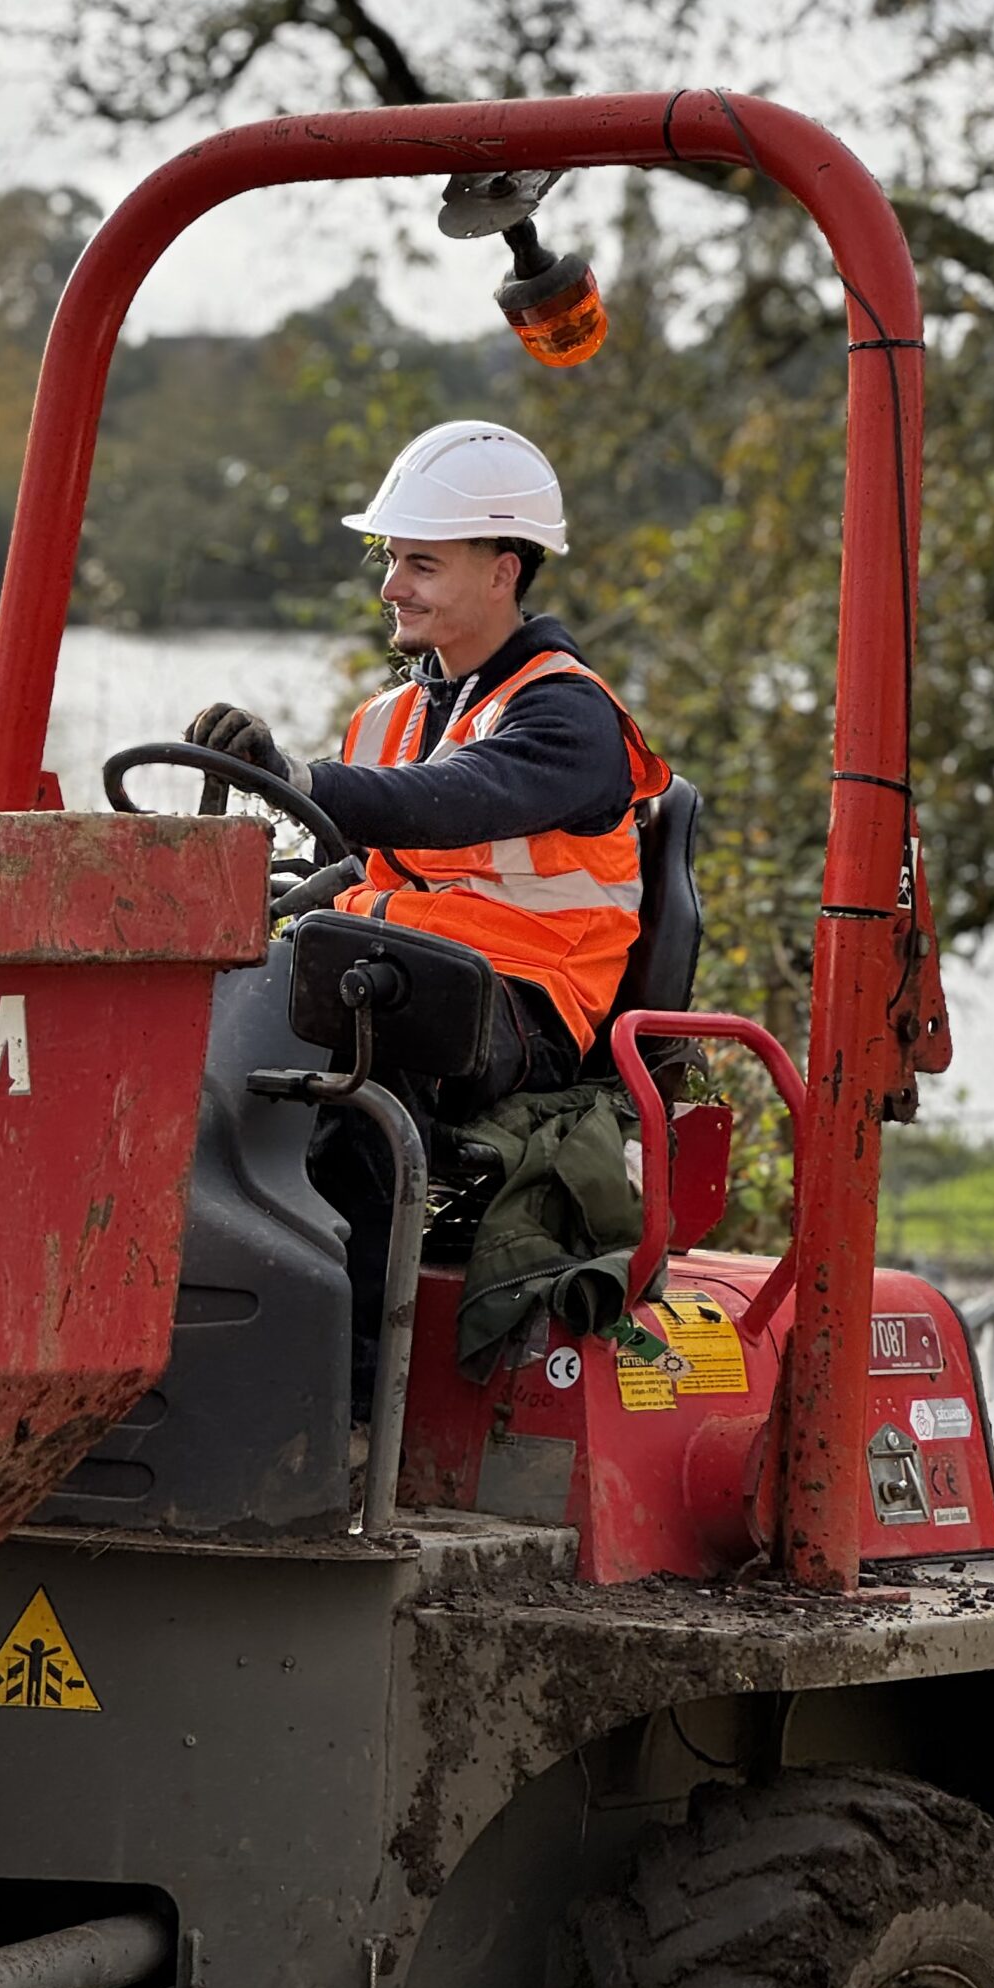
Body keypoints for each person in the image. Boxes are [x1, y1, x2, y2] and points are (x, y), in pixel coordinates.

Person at [185, 419, 671, 1410]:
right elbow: (348, 864)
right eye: (392, 559)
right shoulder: (393, 715)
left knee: (360, 1071)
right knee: (246, 997)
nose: (390, 587)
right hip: (406, 973)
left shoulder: (567, 717)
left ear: (503, 571)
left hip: (526, 1013)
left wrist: (295, 775)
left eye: (421, 563)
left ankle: (347, 1404)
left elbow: (448, 801)